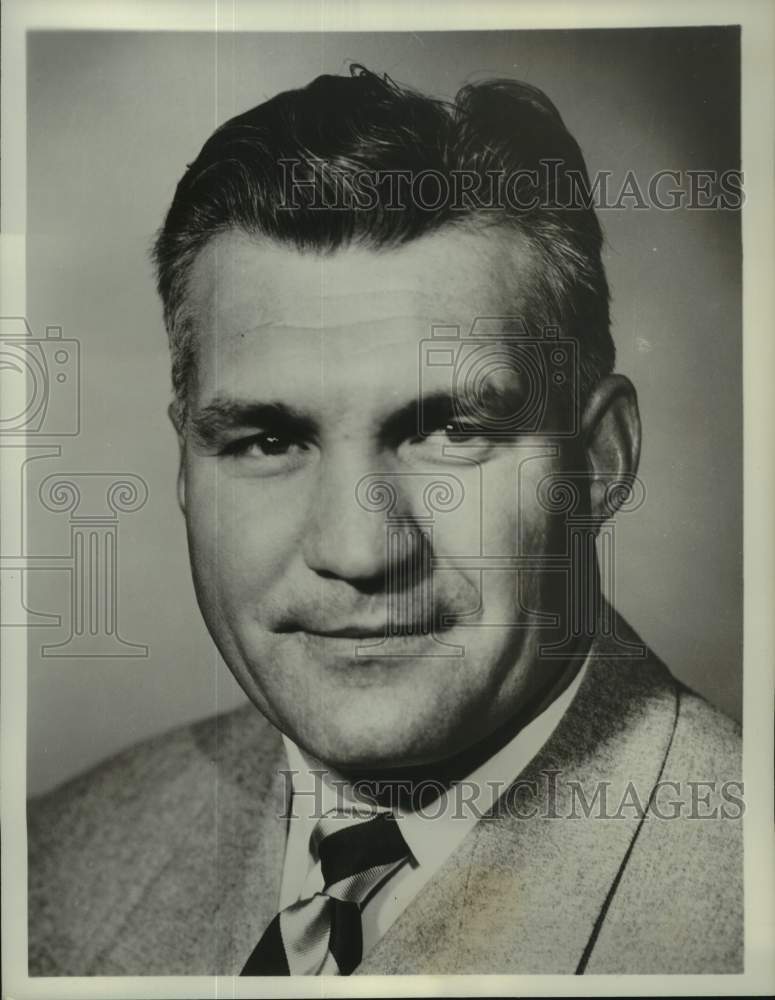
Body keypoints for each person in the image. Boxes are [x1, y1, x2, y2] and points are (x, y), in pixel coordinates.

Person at [28, 65, 742, 977]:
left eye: (446, 430)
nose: (358, 550)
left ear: (599, 461)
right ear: (184, 468)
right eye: (264, 439)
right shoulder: (56, 864)